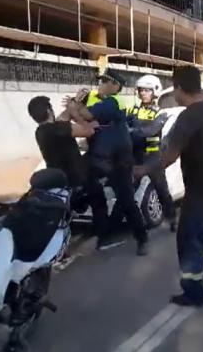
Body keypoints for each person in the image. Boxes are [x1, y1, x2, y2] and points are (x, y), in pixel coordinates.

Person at [135, 66, 203, 307]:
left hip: (202, 186)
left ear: (178, 87)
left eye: (173, 88)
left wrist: (143, 169)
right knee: (200, 225)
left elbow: (169, 156)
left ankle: (194, 292)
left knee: (187, 235)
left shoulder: (189, 116)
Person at [66, 70, 149, 255]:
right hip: (100, 158)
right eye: (100, 81)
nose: (100, 84)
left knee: (127, 201)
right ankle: (102, 233)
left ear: (114, 85)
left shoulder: (112, 102)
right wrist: (76, 105)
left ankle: (142, 238)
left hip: (118, 161)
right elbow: (85, 123)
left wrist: (75, 107)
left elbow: (85, 117)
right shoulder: (101, 103)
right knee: (93, 192)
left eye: (104, 81)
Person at [28, 96, 106, 230]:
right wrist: (76, 113)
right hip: (77, 177)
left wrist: (72, 104)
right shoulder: (60, 128)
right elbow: (89, 131)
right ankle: (103, 234)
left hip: (60, 178)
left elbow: (61, 119)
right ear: (49, 111)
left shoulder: (41, 131)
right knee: (98, 199)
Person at [114, 74, 176, 230]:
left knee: (162, 191)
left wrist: (129, 130)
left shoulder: (161, 112)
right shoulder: (133, 110)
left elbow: (150, 131)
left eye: (147, 90)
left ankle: (172, 218)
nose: (143, 93)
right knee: (126, 192)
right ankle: (112, 226)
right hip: (135, 157)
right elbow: (119, 122)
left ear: (155, 91)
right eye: (141, 90)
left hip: (153, 158)